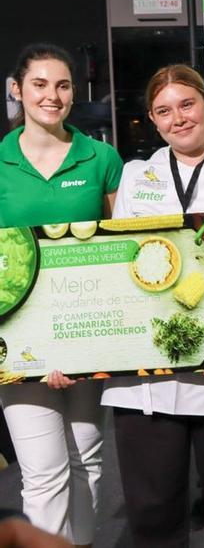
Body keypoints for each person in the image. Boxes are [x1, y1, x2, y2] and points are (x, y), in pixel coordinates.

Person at [99, 64, 204, 547]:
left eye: (186, 104)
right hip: (148, 371)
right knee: (152, 505)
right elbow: (123, 262)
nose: (178, 118)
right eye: (163, 111)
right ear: (153, 121)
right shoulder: (137, 176)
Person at [0, 43, 123, 547]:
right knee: (45, 472)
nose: (52, 96)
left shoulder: (102, 158)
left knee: (87, 460)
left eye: (63, 85)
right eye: (40, 84)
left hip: (89, 331)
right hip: (19, 335)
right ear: (17, 90)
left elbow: (126, 246)